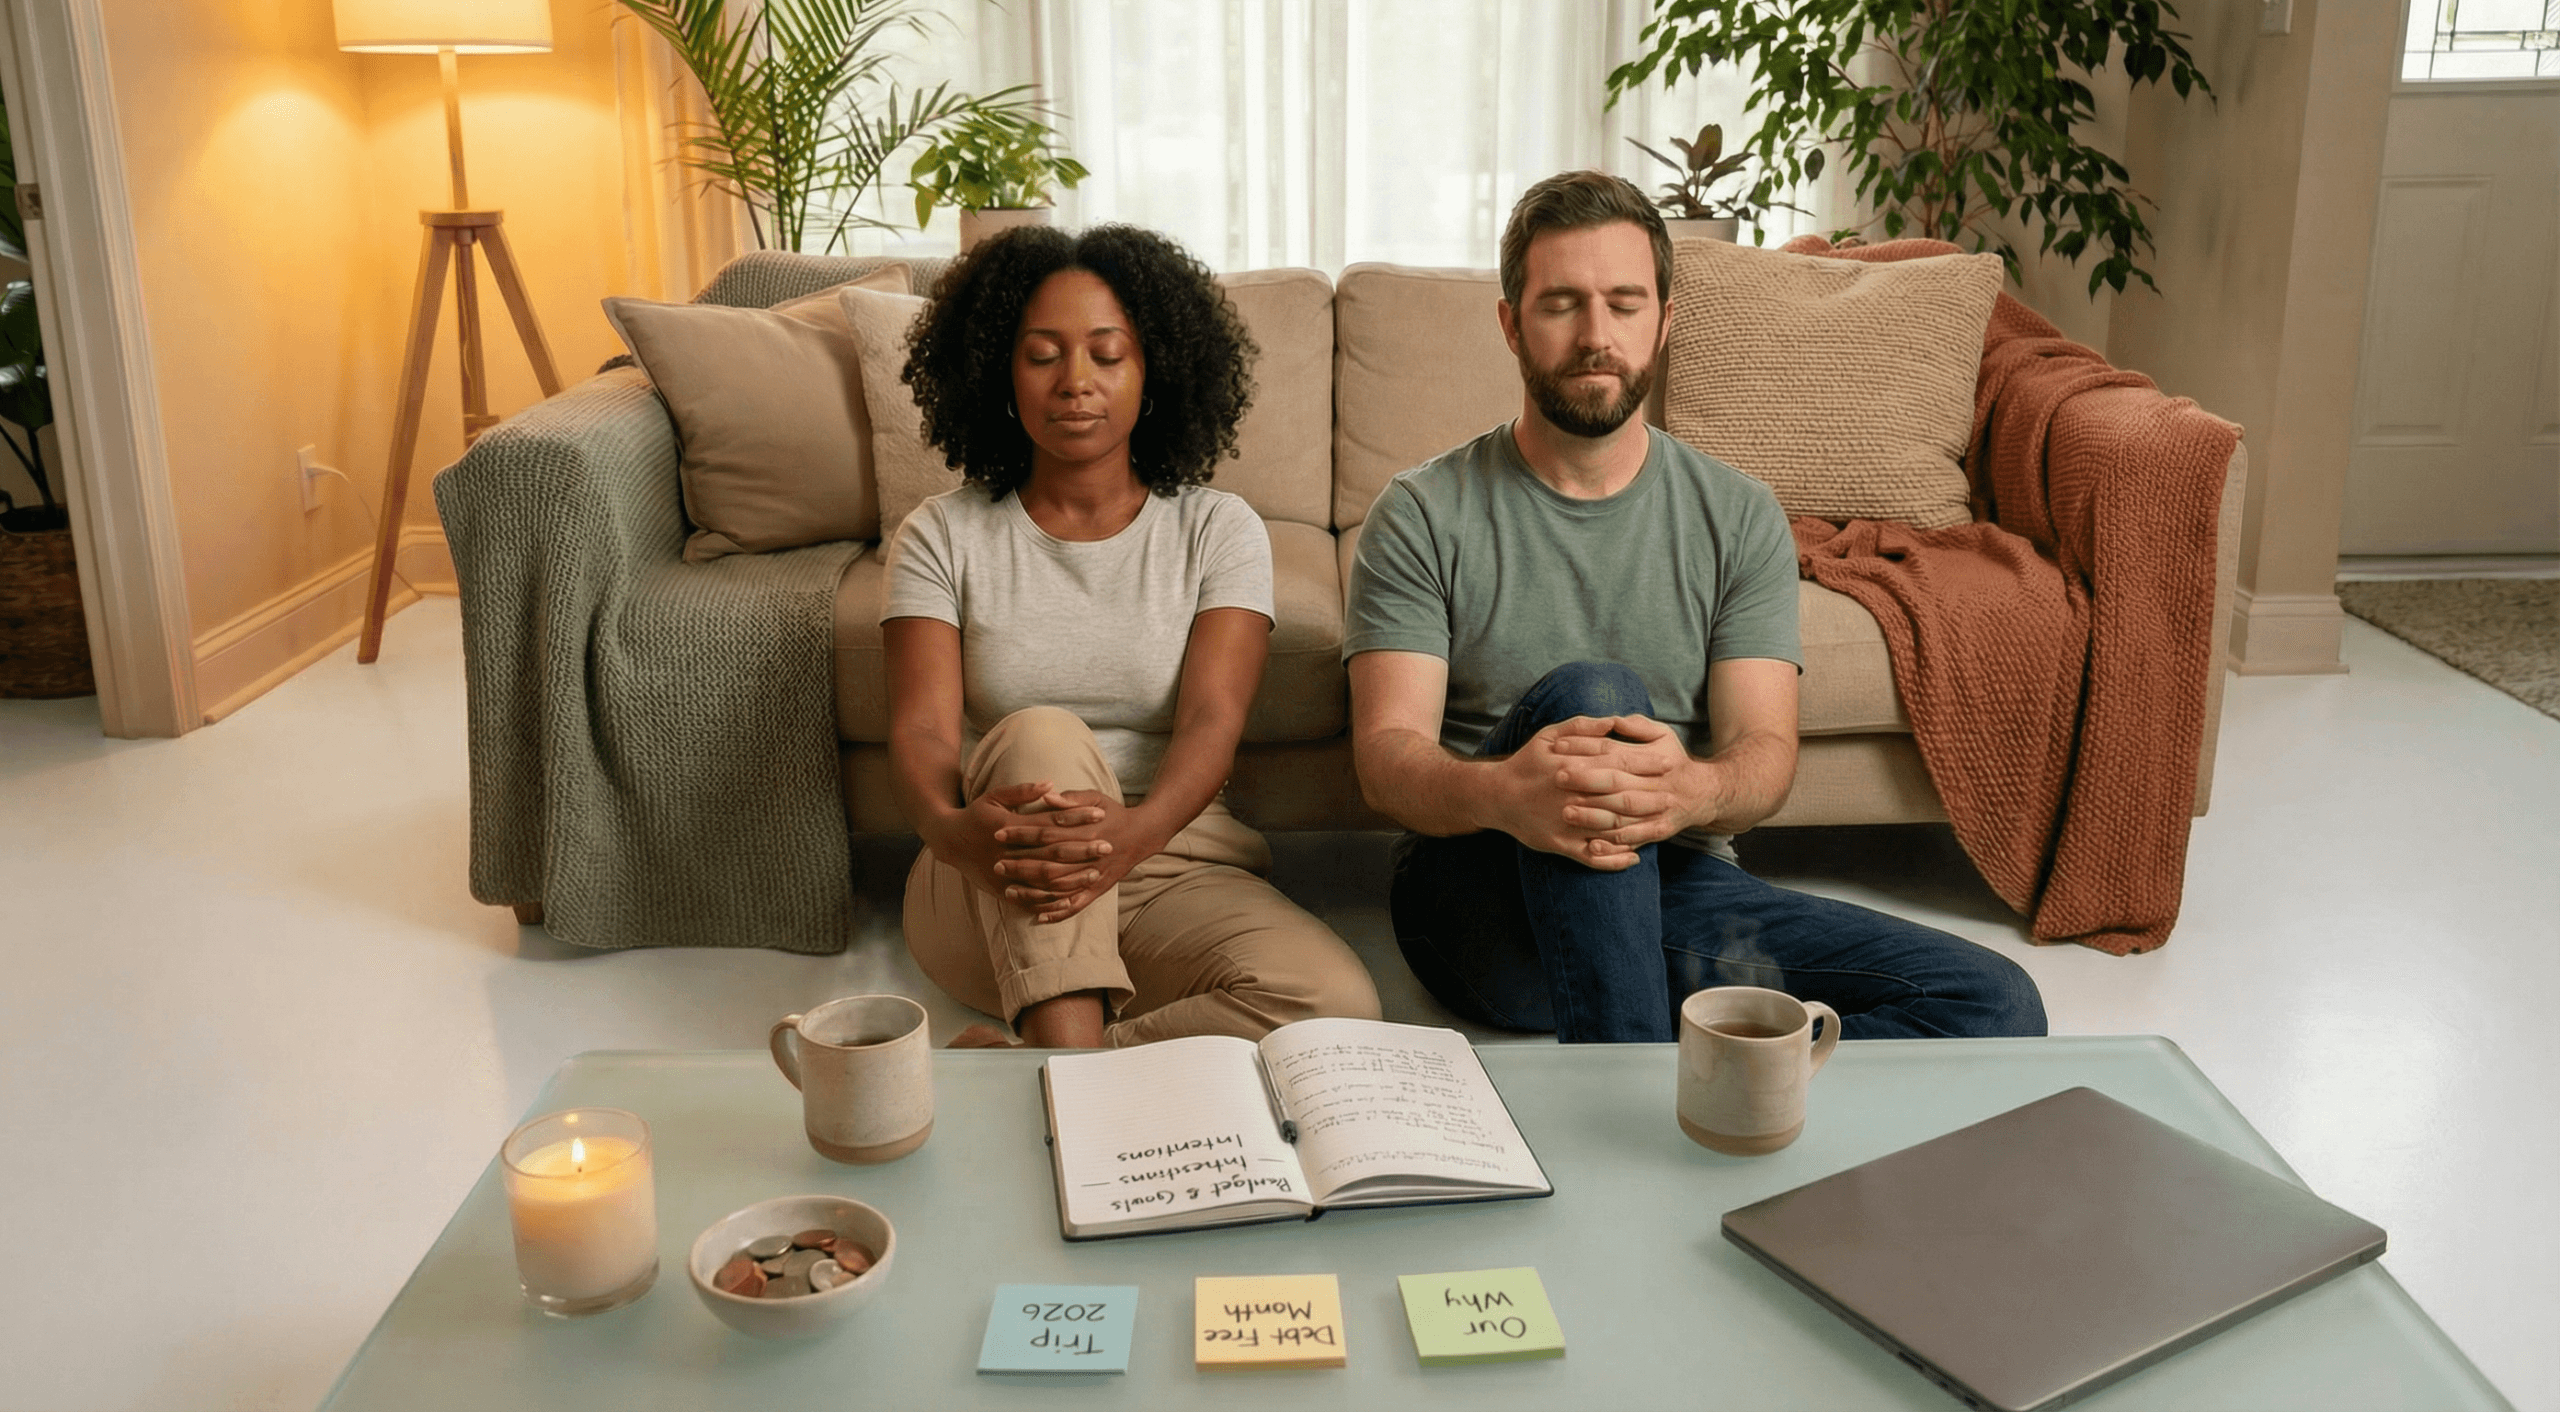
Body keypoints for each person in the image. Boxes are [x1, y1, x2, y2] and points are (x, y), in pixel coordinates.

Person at [1343, 171, 2046, 1044]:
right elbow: (1386, 760)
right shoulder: (1421, 512)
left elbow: (1763, 755)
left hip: (1675, 880)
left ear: (1665, 322)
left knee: (1996, 1004)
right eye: (1561, 303)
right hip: (1482, 896)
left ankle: (1698, 1079)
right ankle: (1639, 1090)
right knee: (1595, 697)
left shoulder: (1738, 513)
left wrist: (1693, 789)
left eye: (1625, 304)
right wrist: (1505, 793)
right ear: (1511, 324)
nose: (1596, 336)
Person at [884, 223, 1380, 1049]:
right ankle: (1080, 1071)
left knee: (1337, 1006)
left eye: (1106, 355)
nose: (1075, 381)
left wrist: (1130, 839)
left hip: (1166, 862)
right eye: (1043, 355)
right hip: (993, 881)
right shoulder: (941, 533)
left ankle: (1055, 1059)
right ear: (1001, 375)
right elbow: (923, 729)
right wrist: (949, 830)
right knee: (1042, 733)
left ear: (1152, 375)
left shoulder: (1219, 530)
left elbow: (1212, 724)